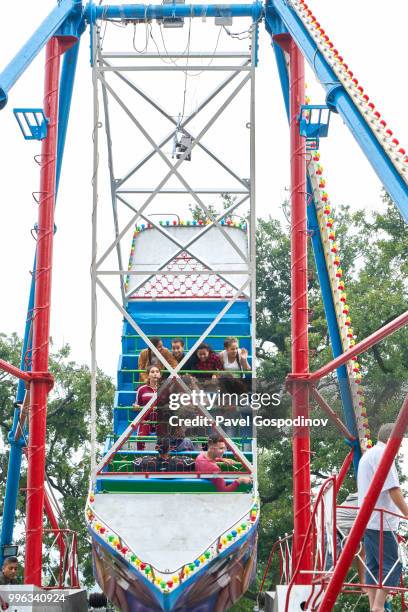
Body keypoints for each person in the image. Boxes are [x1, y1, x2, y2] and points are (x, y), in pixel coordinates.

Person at [357, 423, 408, 612]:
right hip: (382, 521)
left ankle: (373, 605)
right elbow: (393, 489)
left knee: (373, 565)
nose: (401, 445)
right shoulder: (383, 455)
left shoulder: (369, 455)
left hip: (368, 519)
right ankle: (378, 606)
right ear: (392, 440)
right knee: (393, 564)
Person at [133, 365, 161, 450]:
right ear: (148, 375)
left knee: (165, 439)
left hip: (160, 420)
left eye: (157, 372)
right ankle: (140, 458)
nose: (155, 374)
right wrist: (135, 406)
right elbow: (137, 405)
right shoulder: (141, 389)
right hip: (146, 420)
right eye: (152, 372)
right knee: (140, 438)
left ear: (160, 375)